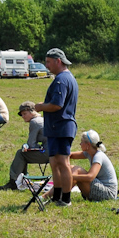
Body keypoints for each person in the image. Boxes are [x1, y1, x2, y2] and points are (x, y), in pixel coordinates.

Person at [34, 48, 78, 207]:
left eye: (48, 62)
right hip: (55, 127)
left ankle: (66, 199)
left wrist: (40, 106)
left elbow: (56, 105)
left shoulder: (62, 79)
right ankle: (57, 195)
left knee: (63, 163)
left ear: (58, 61)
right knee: (54, 162)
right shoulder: (65, 78)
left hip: (61, 126)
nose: (46, 66)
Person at [0, 101, 48, 190]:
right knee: (24, 154)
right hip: (54, 152)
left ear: (32, 112)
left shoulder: (34, 122)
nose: (23, 117)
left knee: (21, 154)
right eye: (22, 115)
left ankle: (14, 182)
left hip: (48, 154)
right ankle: (22, 180)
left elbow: (31, 145)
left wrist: (25, 146)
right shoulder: (41, 119)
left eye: (25, 113)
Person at [66, 129, 118, 201]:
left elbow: (90, 177)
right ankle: (59, 194)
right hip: (101, 188)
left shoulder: (98, 156)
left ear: (88, 145)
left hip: (109, 194)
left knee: (77, 170)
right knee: (72, 168)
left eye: (82, 142)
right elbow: (71, 155)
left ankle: (62, 196)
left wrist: (70, 176)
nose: (80, 144)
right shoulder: (89, 153)